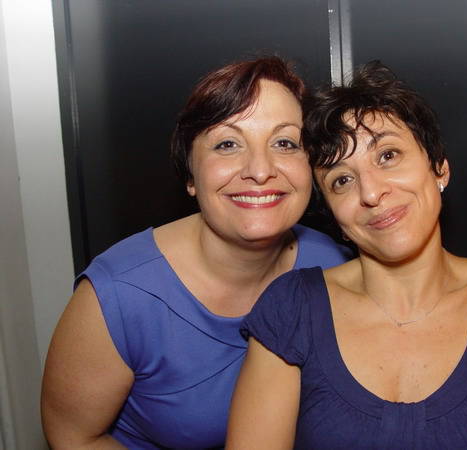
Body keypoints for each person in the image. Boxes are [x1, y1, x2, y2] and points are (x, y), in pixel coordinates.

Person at [41, 57, 351, 449]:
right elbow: (73, 437)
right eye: (227, 144)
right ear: (190, 175)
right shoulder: (120, 296)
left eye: (285, 143)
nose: (260, 170)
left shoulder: (332, 266)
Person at [227, 61, 467, 449]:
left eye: (388, 155)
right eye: (342, 180)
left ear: (439, 168)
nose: (371, 193)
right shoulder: (292, 308)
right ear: (335, 218)